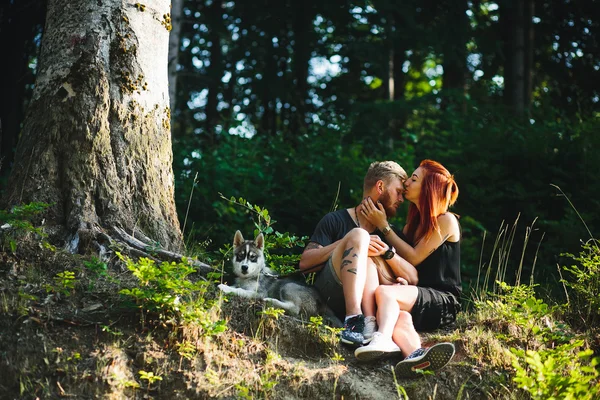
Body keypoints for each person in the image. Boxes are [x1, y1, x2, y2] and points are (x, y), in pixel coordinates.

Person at [354, 159, 461, 378]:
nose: (406, 184)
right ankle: (416, 355)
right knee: (399, 317)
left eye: (413, 179)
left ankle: (381, 338)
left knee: (385, 294)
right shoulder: (410, 227)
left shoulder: (446, 221)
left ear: (428, 187)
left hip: (443, 300)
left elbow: (413, 258)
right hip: (415, 294)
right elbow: (405, 267)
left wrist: (383, 226)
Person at [299, 161, 411, 346]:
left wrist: (399, 282)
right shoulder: (335, 220)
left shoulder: (391, 234)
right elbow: (305, 263)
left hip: (374, 309)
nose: (401, 199)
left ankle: (406, 351)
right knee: (359, 235)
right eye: (398, 192)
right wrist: (348, 242)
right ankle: (353, 319)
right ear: (380, 186)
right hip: (331, 294)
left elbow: (412, 278)